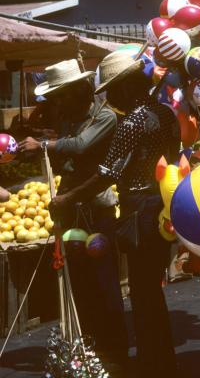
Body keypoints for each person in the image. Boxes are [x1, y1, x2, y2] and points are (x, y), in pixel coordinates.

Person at [51, 51, 181, 378]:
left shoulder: (133, 120)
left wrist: (67, 198)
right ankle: (161, 359)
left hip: (138, 210)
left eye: (110, 90)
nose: (108, 97)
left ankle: (152, 364)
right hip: (163, 207)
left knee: (142, 290)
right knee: (152, 287)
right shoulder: (166, 114)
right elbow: (173, 158)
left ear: (125, 87)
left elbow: (107, 173)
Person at [18, 59, 128, 370]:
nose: (59, 102)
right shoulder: (67, 118)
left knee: (104, 284)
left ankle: (116, 352)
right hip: (70, 211)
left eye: (63, 94)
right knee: (80, 286)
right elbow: (69, 159)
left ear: (80, 90)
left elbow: (80, 147)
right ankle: (88, 349)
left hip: (96, 212)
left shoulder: (104, 116)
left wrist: (44, 144)